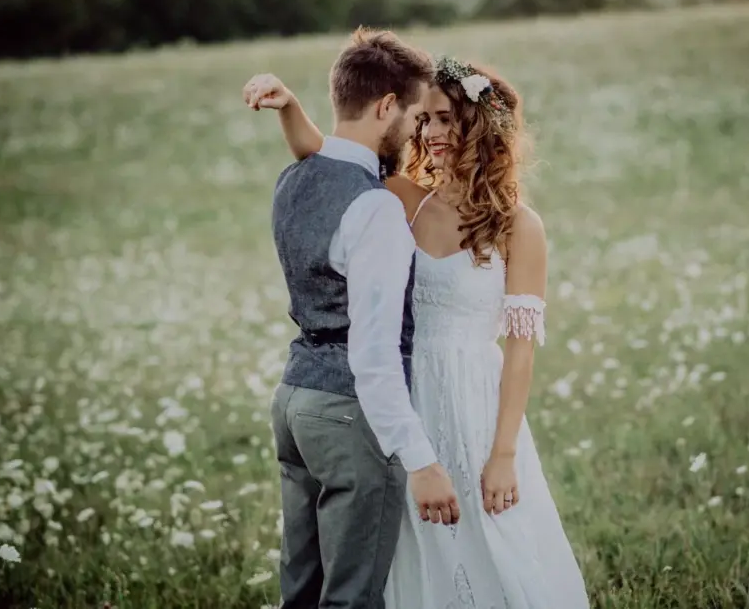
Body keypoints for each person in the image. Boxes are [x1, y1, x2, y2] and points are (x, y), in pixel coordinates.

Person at [245, 51, 590, 608]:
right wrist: (291, 110)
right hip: (401, 394)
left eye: (447, 119)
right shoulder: (399, 196)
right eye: (424, 118)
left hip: (475, 401)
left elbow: (520, 351)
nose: (431, 133)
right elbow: (331, 161)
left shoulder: (518, 226)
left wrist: (503, 453)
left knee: (491, 538)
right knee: (400, 544)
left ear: (481, 127)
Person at [255, 27, 460, 609]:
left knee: (301, 588)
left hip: (295, 401)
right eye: (417, 116)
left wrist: (290, 106)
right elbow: (373, 354)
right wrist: (420, 461)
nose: (420, 131)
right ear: (386, 106)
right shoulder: (376, 209)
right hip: (349, 417)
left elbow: (320, 153)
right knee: (351, 598)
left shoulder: (293, 177)